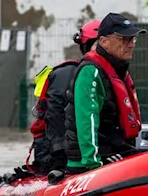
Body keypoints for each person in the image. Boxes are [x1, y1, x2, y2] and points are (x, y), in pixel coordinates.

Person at [64, 13, 147, 174]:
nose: (131, 45)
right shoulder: (90, 71)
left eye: (133, 39)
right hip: (92, 160)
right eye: (125, 39)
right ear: (104, 42)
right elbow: (86, 120)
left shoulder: (119, 71)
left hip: (115, 150)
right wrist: (93, 164)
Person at [24, 18, 100, 175]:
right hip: (56, 153)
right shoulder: (68, 74)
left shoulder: (107, 76)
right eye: (98, 45)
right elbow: (55, 113)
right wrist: (60, 152)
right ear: (86, 47)